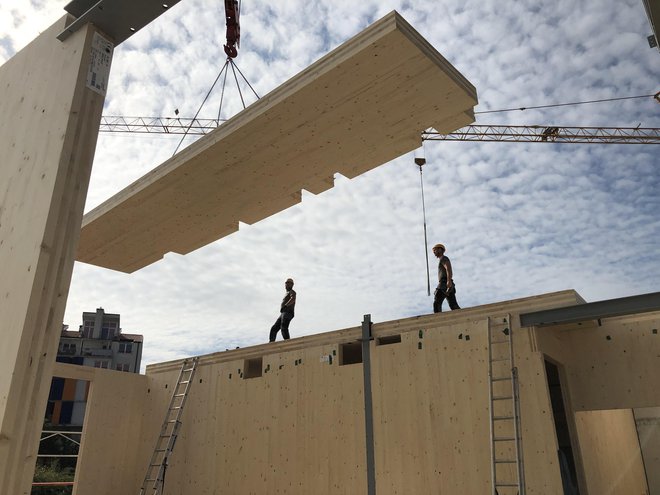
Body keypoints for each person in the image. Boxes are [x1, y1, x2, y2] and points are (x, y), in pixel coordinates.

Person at [432, 243, 460, 312]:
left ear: (440, 249)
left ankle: (438, 320)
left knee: (437, 302)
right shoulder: (442, 259)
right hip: (448, 284)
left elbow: (448, 269)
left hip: (444, 283)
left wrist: (448, 281)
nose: (434, 252)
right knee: (453, 305)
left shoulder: (443, 258)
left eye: (435, 250)